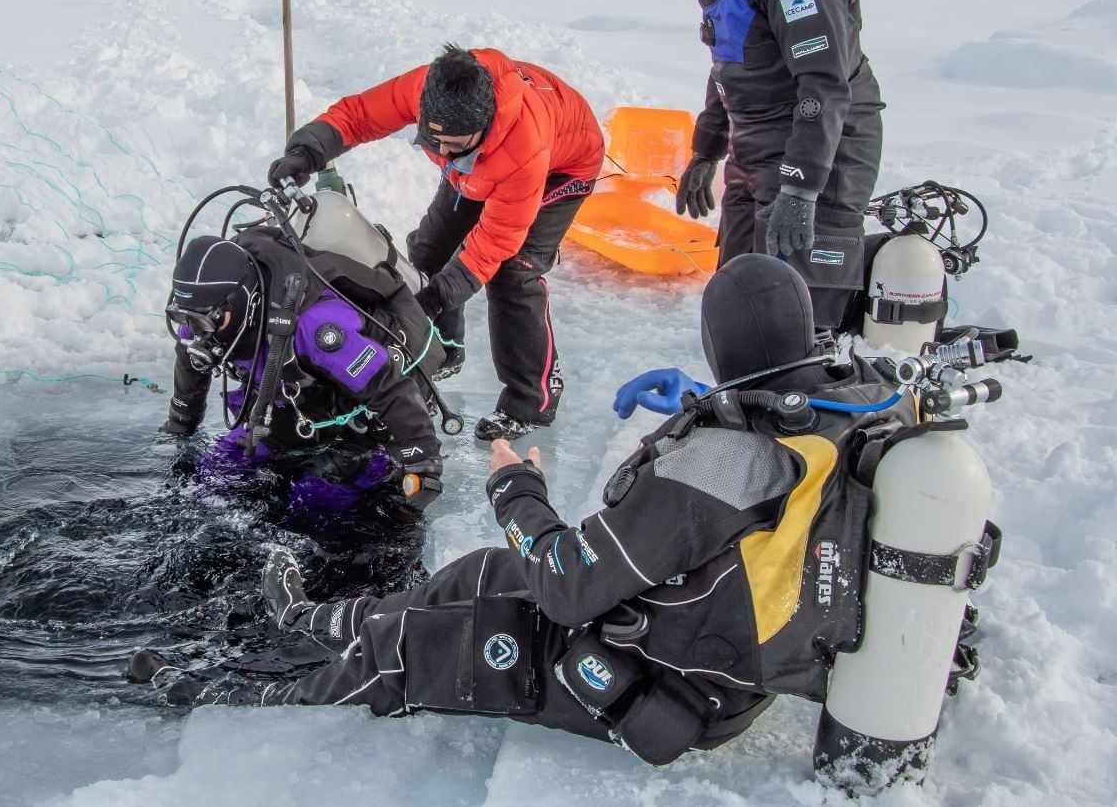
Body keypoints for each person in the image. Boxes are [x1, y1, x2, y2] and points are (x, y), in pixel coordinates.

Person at [137, 256, 923, 766]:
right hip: (703, 643)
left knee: (430, 643)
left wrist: (515, 486)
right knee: (479, 572)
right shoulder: (832, 410)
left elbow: (567, 587)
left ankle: (251, 699)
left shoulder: (720, 465)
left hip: (660, 684)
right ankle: (323, 620)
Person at [267, 45, 604, 441]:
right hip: (481, 168)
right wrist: (306, 152)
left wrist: (440, 295)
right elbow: (359, 115)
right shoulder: (430, 88)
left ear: (483, 127)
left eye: (454, 145)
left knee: (514, 274)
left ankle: (533, 399)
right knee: (427, 250)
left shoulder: (524, 147)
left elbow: (495, 242)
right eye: (432, 141)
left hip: (561, 169)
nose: (442, 153)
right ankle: (442, 347)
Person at [652, 0, 884, 330]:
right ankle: (741, 400)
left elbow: (824, 83)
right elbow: (730, 63)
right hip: (757, 149)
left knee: (793, 315)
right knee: (738, 299)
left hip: (821, 149)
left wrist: (801, 190)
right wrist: (707, 150)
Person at [162, 226, 445, 513]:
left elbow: (388, 386)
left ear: (241, 301)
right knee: (211, 479)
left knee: (315, 506)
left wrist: (423, 462)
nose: (196, 334)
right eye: (183, 318)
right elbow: (190, 361)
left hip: (356, 417)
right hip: (290, 403)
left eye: (204, 323)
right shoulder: (201, 313)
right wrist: (181, 423)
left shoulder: (316, 327)